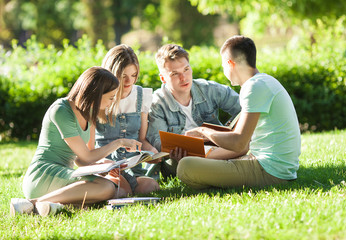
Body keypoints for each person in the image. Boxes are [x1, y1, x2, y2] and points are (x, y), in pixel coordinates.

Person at [11, 67, 141, 216]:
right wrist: (120, 142)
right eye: (111, 98)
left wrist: (105, 166)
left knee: (122, 191)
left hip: (65, 175)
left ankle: (55, 205)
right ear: (97, 94)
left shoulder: (90, 113)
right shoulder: (61, 110)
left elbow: (83, 160)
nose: (112, 102)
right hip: (43, 175)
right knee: (107, 188)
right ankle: (32, 203)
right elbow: (87, 156)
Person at [179, 35, 301, 189]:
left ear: (230, 64)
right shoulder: (263, 81)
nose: (224, 70)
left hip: (269, 170)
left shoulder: (254, 87)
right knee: (201, 163)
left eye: (223, 66)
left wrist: (203, 131)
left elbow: (239, 142)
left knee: (185, 166)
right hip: (275, 167)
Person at [146, 44, 241, 179]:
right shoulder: (156, 104)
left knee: (242, 142)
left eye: (186, 69)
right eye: (174, 74)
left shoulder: (209, 89)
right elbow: (159, 143)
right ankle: (227, 161)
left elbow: (245, 109)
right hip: (180, 159)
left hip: (216, 147)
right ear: (163, 78)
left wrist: (230, 130)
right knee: (185, 162)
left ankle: (220, 162)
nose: (183, 78)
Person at [93, 44, 159, 194]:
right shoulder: (99, 99)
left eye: (134, 75)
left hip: (131, 169)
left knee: (151, 186)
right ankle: (116, 189)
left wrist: (152, 152)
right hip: (105, 168)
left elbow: (142, 140)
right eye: (123, 76)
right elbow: (89, 150)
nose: (129, 81)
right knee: (120, 188)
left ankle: (122, 189)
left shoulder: (141, 96)